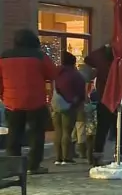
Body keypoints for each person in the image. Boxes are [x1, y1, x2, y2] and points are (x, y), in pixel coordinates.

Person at [0, 29, 58, 174]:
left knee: (14, 135)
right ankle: (34, 166)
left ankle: (14, 166)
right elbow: (52, 73)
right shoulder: (39, 56)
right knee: (36, 135)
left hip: (12, 103)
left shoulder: (4, 57)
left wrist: (4, 97)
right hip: (35, 102)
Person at [84, 44, 122, 167]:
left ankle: (97, 154)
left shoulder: (101, 58)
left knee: (102, 129)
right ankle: (119, 155)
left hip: (104, 97)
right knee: (121, 128)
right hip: (121, 97)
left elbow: (88, 59)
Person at [51, 52, 86, 165]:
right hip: (69, 105)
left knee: (58, 132)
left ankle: (58, 157)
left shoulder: (56, 72)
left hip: (55, 105)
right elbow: (81, 91)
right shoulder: (75, 74)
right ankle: (67, 157)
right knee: (67, 132)